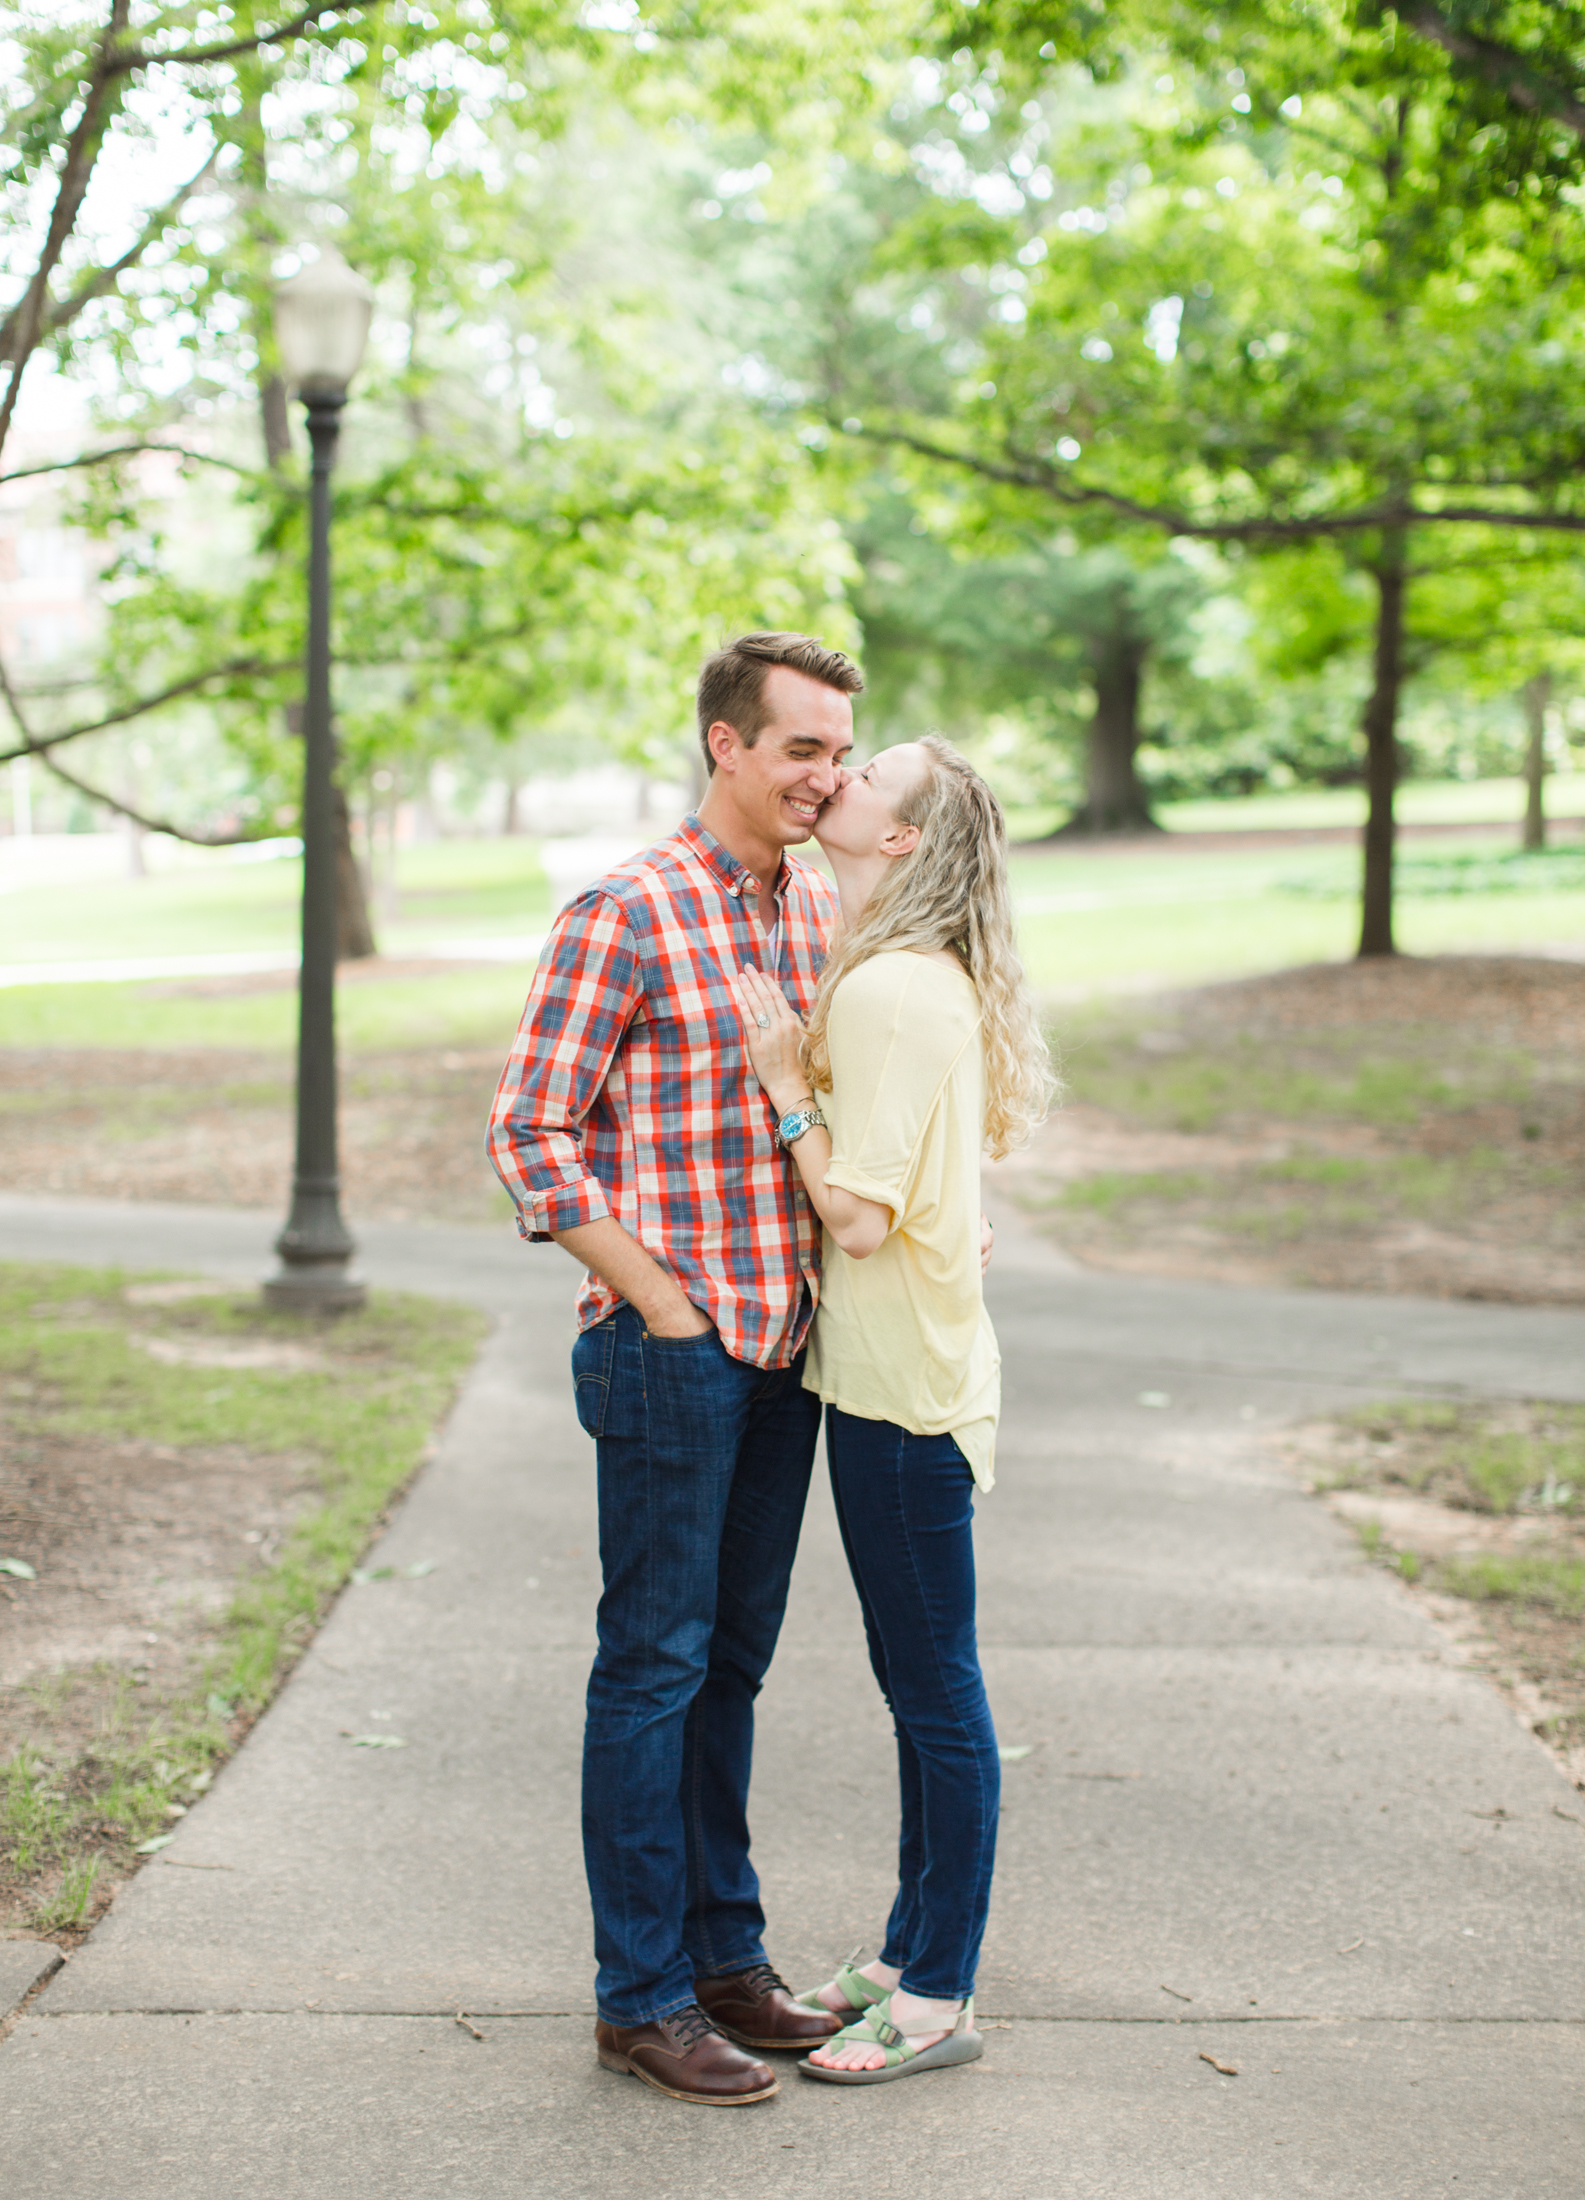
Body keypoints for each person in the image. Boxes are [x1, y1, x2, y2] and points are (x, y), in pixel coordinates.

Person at [486, 632, 863, 2107]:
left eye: (841, 749)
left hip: (787, 1348)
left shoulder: (816, 904)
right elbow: (531, 1130)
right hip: (677, 1355)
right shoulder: (626, 911)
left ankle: (725, 1962)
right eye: (800, 750)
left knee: (732, 1669)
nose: (824, 776)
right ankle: (637, 1996)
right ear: (726, 745)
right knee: (652, 1669)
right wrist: (657, 1304)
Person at [727, 734, 1051, 2085]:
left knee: (933, 1696)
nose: (835, 781)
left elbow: (856, 1221)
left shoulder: (886, 994)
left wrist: (786, 1087)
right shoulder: (894, 975)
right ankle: (907, 1950)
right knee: (917, 1686)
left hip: (901, 1398)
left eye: (868, 777)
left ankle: (938, 1996)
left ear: (900, 839)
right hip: (898, 1377)